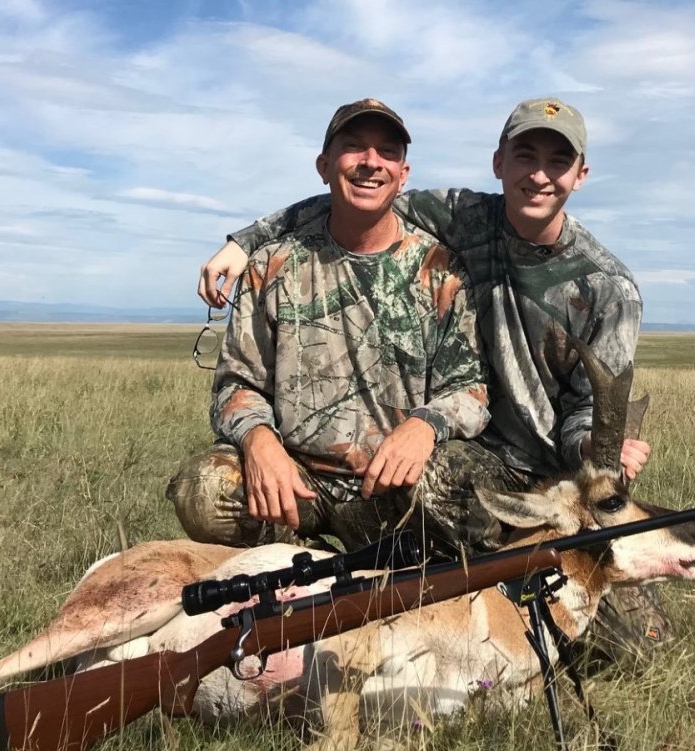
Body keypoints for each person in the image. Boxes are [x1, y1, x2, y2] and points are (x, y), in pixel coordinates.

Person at [196, 97, 667, 656]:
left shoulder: (606, 287)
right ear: (499, 163)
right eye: (525, 156)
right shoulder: (464, 219)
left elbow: (585, 409)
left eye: (557, 162)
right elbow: (350, 200)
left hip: (551, 477)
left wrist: (590, 444)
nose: (539, 175)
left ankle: (480, 596)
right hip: (455, 456)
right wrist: (243, 241)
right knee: (207, 491)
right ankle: (294, 595)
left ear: (580, 175)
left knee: (637, 649)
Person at [168, 98, 506, 554]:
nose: (371, 162)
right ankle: (308, 566)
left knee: (469, 493)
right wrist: (258, 440)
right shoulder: (272, 265)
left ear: (403, 175)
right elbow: (236, 383)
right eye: (354, 148)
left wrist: (424, 426)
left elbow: (470, 389)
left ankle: (391, 570)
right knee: (205, 490)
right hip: (298, 482)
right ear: (324, 166)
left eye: (387, 151)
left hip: (393, 485)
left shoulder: (441, 270)